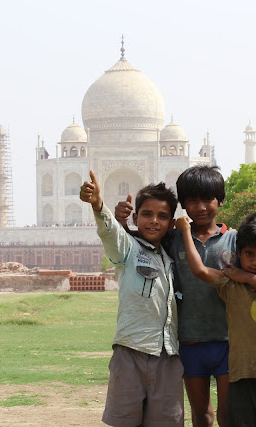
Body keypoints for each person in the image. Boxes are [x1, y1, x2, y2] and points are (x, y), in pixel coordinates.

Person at [114, 165, 256, 427]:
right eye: (192, 201)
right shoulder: (174, 238)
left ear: (220, 200)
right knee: (201, 415)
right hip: (190, 339)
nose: (201, 207)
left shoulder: (235, 240)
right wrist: (121, 221)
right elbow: (137, 240)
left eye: (208, 200)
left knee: (227, 415)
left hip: (229, 340)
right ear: (183, 205)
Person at [80, 170, 184, 427]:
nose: (154, 222)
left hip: (168, 356)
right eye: (147, 214)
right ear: (135, 217)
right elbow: (111, 233)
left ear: (171, 223)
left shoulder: (174, 260)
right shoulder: (129, 250)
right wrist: (98, 205)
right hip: (130, 353)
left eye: (162, 216)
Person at [176, 212, 256, 426]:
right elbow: (200, 271)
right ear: (239, 252)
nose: (255, 261)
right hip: (241, 373)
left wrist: (249, 276)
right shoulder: (230, 283)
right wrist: (185, 232)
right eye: (249, 254)